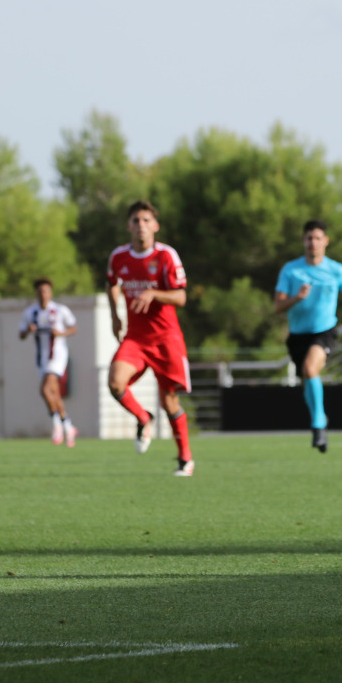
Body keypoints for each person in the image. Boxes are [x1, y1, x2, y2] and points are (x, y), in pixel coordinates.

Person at [106, 200, 195, 477]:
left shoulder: (166, 256)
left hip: (166, 339)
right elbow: (112, 284)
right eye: (136, 221)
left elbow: (181, 296)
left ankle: (185, 459)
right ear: (128, 226)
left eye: (146, 220)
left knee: (169, 402)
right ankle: (144, 418)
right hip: (135, 338)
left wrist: (153, 293)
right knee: (114, 382)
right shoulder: (119, 257)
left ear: (155, 226)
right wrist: (115, 316)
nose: (141, 226)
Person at [274, 219, 342, 452]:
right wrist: (297, 298)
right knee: (307, 381)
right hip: (297, 336)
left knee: (310, 370)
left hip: (324, 332)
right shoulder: (291, 270)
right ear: (303, 241)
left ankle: (319, 424)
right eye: (309, 238)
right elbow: (278, 306)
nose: (313, 242)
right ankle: (318, 424)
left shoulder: (337, 270)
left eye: (317, 238)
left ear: (326, 241)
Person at [18, 278, 78, 447]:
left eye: (46, 291)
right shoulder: (31, 312)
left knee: (45, 390)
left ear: (50, 293)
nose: (43, 294)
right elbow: (20, 334)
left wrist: (62, 333)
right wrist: (27, 331)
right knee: (54, 393)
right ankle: (68, 426)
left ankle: (56, 425)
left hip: (57, 355)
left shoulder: (60, 310)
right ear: (36, 293)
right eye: (40, 291)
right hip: (41, 357)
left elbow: (73, 327)